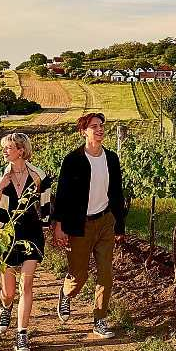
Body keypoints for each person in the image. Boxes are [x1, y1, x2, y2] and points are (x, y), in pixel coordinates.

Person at [52, 112, 126, 339]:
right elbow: (62, 194)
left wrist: (119, 226)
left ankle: (100, 320)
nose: (100, 129)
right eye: (94, 126)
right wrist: (58, 224)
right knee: (79, 275)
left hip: (105, 221)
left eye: (101, 125)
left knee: (105, 274)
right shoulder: (72, 160)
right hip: (79, 224)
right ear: (83, 131)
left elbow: (116, 193)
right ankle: (66, 294)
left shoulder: (111, 158)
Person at [0, 132, 52, 351]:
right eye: (4, 147)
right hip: (5, 235)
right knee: (9, 292)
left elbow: (46, 212)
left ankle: (22, 334)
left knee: (27, 286)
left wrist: (47, 231)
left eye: (9, 147)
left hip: (31, 235)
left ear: (21, 150)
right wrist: (0, 187)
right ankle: (6, 306)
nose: (5, 151)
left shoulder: (40, 176)